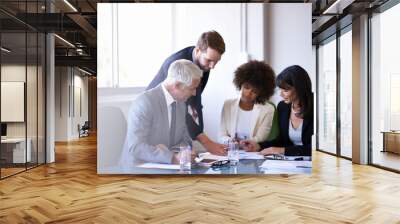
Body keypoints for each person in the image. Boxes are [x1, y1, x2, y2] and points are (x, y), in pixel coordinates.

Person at [147, 30, 227, 155]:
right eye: (209, 60)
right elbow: (187, 105)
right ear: (197, 50)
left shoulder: (204, 63)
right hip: (154, 116)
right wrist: (207, 142)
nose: (212, 66)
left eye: (216, 62)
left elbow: (195, 101)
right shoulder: (177, 63)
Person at [120, 59, 202, 166]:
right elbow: (136, 147)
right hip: (137, 169)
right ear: (177, 85)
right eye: (192, 88)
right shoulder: (144, 102)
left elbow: (185, 139)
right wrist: (172, 158)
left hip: (166, 167)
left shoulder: (181, 103)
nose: (195, 93)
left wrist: (185, 153)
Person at [241, 65, 313, 156]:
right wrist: (259, 145)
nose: (281, 95)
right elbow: (281, 140)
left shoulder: (317, 107)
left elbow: (315, 148)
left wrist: (282, 150)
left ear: (300, 88)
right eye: (280, 89)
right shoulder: (283, 107)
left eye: (286, 90)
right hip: (293, 162)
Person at [219, 60, 276, 144]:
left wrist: (246, 143)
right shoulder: (228, 104)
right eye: (246, 87)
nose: (248, 93)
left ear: (261, 93)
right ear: (240, 84)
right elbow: (221, 135)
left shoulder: (268, 109)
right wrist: (230, 141)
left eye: (254, 91)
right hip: (231, 152)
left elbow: (261, 138)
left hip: (254, 153)